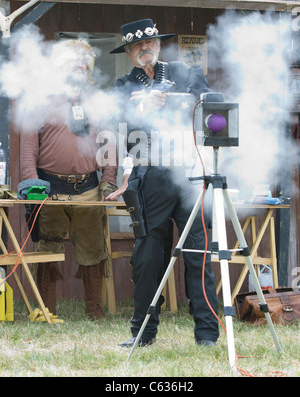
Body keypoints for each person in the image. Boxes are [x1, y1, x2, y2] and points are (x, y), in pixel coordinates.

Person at [108, 18, 220, 347]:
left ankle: (207, 335)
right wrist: (140, 106)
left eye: (151, 43)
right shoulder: (123, 86)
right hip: (150, 175)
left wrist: (186, 105)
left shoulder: (186, 72)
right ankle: (142, 334)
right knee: (147, 256)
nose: (146, 49)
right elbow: (121, 131)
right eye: (138, 46)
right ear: (129, 52)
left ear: (158, 44)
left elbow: (213, 110)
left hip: (188, 173)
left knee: (198, 256)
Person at [19, 39, 119, 320]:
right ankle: (46, 311)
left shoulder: (100, 102)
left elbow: (108, 145)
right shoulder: (39, 100)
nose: (80, 65)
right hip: (50, 191)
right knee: (47, 248)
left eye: (85, 61)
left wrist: (108, 180)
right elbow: (28, 148)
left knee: (93, 250)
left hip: (88, 189)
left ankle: (94, 311)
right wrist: (30, 183)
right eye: (73, 59)